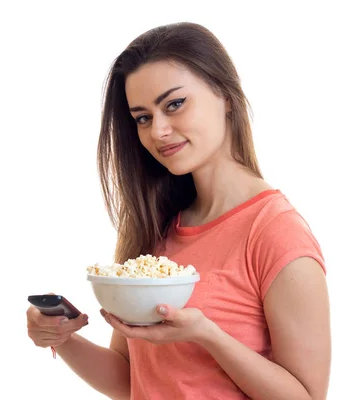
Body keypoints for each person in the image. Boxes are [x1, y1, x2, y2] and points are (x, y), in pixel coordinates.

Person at [26, 21, 331, 400]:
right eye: (143, 117)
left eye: (174, 104)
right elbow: (130, 381)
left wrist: (207, 335)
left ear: (226, 97)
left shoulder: (276, 232)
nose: (158, 131)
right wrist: (63, 339)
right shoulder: (155, 226)